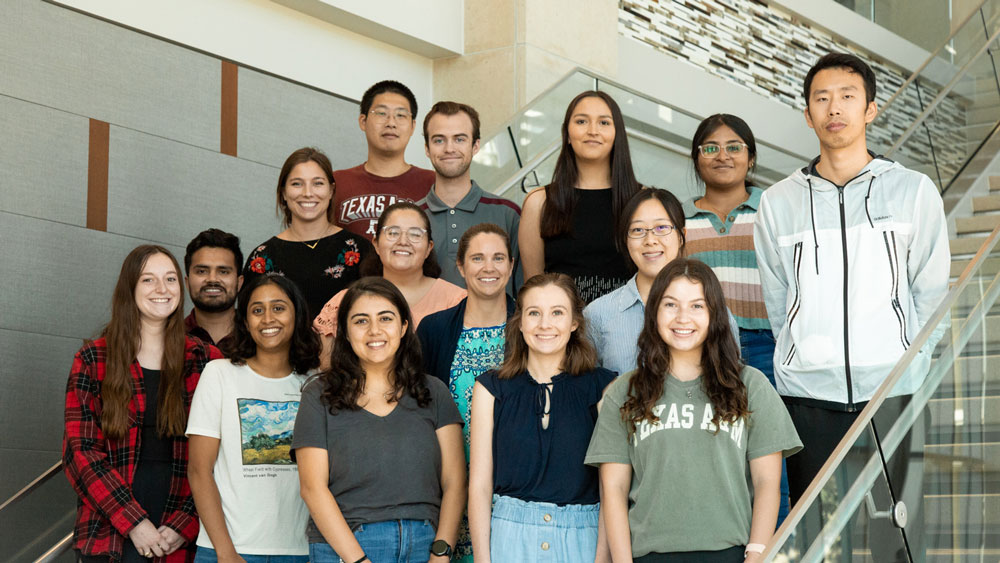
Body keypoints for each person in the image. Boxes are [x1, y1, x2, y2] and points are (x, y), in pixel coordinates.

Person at [754, 53, 950, 505]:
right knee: (818, 534)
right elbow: (779, 300)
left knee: (897, 535)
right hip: (808, 397)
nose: (834, 109)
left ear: (870, 109)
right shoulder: (778, 202)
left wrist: (910, 365)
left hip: (894, 391)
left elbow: (932, 294)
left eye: (847, 96)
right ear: (808, 114)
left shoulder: (912, 190)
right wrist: (800, 358)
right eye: (821, 99)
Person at [586, 259, 802, 562]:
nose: (683, 318)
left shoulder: (751, 385)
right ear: (654, 313)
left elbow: (767, 483)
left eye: (697, 306)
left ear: (715, 314)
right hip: (650, 555)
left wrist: (756, 555)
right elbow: (614, 489)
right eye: (670, 305)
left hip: (730, 553)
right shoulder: (624, 392)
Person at [64, 245, 222, 562]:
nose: (162, 290)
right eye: (148, 280)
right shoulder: (94, 358)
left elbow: (223, 454)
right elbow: (80, 452)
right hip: (110, 523)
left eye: (170, 279)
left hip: (185, 519)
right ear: (130, 289)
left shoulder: (207, 359)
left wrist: (184, 524)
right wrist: (134, 522)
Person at [293, 277, 466, 563]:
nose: (375, 330)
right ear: (345, 332)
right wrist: (358, 560)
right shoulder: (319, 394)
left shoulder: (433, 391)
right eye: (361, 321)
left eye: (386, 318)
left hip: (423, 544)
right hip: (345, 548)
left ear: (404, 327)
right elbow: (312, 488)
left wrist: (441, 551)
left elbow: (455, 481)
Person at [683, 114, 791, 525]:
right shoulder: (677, 218)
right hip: (700, 353)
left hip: (767, 348)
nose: (722, 155)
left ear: (751, 157)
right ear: (696, 159)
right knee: (711, 455)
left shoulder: (775, 207)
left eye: (734, 147)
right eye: (710, 147)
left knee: (768, 462)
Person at [468, 273, 615, 563]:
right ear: (519, 322)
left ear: (574, 323)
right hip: (509, 537)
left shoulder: (604, 388)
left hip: (582, 538)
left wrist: (602, 558)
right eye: (534, 313)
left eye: (557, 313)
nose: (545, 324)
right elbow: (480, 485)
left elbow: (611, 488)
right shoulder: (490, 388)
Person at [186, 273, 321, 562]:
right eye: (257, 310)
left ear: (297, 315)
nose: (268, 318)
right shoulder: (219, 374)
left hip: (300, 551)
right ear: (246, 322)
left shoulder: (316, 385)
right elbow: (199, 471)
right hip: (226, 550)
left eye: (279, 308)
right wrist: (225, 552)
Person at [417, 223, 517, 562]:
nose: (488, 268)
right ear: (460, 267)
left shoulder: (534, 326)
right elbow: (420, 409)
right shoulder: (433, 330)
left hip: (515, 494)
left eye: (498, 258)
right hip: (452, 491)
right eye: (477, 258)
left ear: (512, 265)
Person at [518, 90, 640, 303]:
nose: (593, 131)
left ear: (617, 134)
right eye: (582, 121)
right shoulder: (539, 202)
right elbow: (533, 289)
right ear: (567, 134)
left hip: (629, 329)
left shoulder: (642, 201)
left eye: (604, 123)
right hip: (561, 329)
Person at [313, 201, 466, 368]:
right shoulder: (344, 301)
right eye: (393, 233)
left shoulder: (459, 301)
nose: (403, 241)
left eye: (415, 234)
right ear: (376, 244)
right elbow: (327, 370)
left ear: (429, 247)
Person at [244, 147, 374, 320]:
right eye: (297, 184)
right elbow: (249, 321)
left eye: (318, 183)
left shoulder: (359, 250)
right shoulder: (262, 257)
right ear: (283, 192)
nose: (307, 193)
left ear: (331, 190)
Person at [417, 101, 522, 294]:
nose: (449, 148)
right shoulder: (412, 218)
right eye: (439, 140)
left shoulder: (509, 214)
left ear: (475, 146)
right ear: (427, 148)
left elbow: (524, 290)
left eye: (459, 139)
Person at [332, 80, 436, 239]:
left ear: (413, 126)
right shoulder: (336, 182)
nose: (391, 123)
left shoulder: (433, 184)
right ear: (363, 121)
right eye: (381, 113)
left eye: (401, 115)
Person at [184, 228, 244, 351]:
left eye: (223, 271)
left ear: (239, 282)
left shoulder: (257, 337)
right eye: (202, 271)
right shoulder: (169, 338)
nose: (212, 279)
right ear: (187, 282)